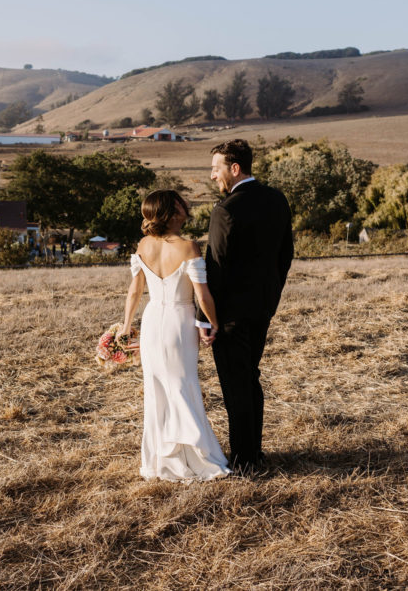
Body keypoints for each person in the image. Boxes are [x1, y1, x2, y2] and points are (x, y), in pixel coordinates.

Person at [198, 139, 293, 474]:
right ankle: (254, 451)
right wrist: (270, 295)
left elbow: (216, 269)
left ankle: (243, 458)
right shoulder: (277, 200)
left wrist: (206, 319)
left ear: (234, 168)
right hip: (262, 308)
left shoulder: (226, 210)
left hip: (230, 315)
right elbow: (286, 256)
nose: (213, 176)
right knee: (250, 378)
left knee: (236, 386)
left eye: (216, 168)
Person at [121, 189, 230, 481]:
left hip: (152, 320)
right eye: (181, 202)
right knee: (183, 386)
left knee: (157, 390)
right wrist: (213, 323)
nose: (187, 204)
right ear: (172, 212)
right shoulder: (188, 247)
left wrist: (126, 324)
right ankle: (196, 457)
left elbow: (135, 290)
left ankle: (160, 459)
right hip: (179, 323)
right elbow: (202, 294)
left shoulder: (144, 244)